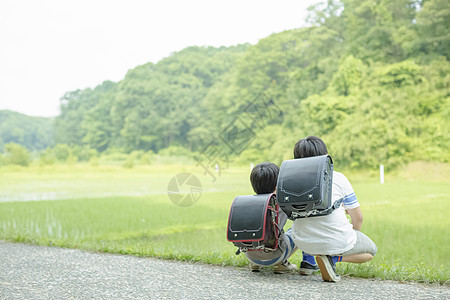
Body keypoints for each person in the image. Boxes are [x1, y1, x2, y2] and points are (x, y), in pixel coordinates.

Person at [290, 136, 377, 282]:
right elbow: (358, 217)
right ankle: (334, 258)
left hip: (302, 241)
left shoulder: (291, 180)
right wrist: (351, 238)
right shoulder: (338, 178)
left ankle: (311, 259)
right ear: (324, 156)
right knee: (371, 251)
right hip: (336, 241)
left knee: (306, 222)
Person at [244, 162, 298, 273]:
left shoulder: (247, 203)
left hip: (250, 254)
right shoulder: (281, 204)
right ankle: (281, 264)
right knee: (298, 231)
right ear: (277, 185)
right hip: (275, 256)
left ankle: (255, 264)